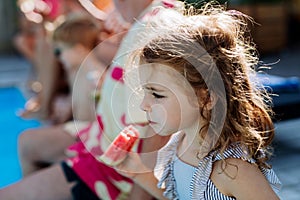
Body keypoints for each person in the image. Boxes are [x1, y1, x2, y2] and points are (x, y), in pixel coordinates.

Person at [0, 0, 182, 200]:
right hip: (100, 138)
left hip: (113, 166)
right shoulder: (147, 19)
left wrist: (139, 193)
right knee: (27, 142)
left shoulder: (156, 27)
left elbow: (161, 120)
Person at [115, 3, 282, 199]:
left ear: (206, 98)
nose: (144, 105)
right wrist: (137, 172)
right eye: (145, 92)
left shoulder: (232, 170)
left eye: (157, 94)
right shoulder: (178, 145)